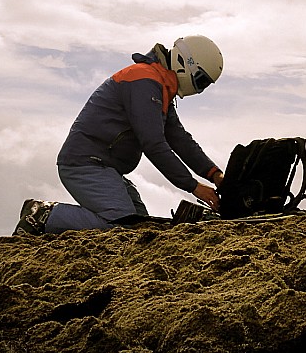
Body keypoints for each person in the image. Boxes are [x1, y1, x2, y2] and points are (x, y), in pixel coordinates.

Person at [14, 35, 225, 236]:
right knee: (119, 225)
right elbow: (153, 144)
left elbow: (179, 138)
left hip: (104, 168)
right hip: (85, 164)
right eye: (201, 81)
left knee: (140, 226)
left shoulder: (159, 85)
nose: (200, 90)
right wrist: (193, 187)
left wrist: (213, 174)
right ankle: (42, 215)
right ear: (185, 64)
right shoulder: (144, 81)